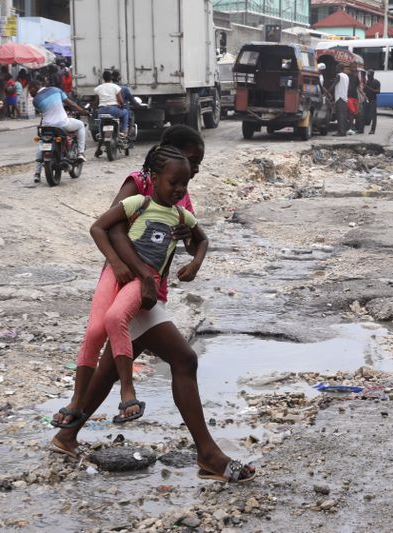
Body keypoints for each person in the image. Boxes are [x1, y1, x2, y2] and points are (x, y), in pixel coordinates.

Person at [51, 125, 257, 483]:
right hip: (131, 286)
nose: (193, 172)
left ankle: (67, 434)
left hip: (151, 290)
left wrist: (191, 250)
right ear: (168, 158)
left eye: (196, 166)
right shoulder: (139, 184)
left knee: (113, 367)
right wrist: (142, 276)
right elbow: (112, 229)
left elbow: (193, 239)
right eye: (191, 162)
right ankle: (209, 454)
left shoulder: (179, 194)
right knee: (184, 359)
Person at [74, 145, 208, 424]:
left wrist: (193, 261)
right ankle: (82, 408)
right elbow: (107, 228)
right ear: (156, 176)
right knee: (101, 332)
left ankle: (114, 401)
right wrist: (119, 264)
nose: (183, 186)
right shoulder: (138, 194)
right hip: (132, 279)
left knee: (120, 348)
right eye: (178, 180)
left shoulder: (181, 211)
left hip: (148, 286)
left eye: (188, 180)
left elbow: (199, 238)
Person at [28, 78, 88, 183]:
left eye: (30, 90)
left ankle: (37, 173)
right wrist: (82, 111)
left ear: (35, 87)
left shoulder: (35, 101)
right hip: (62, 124)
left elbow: (46, 111)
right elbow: (71, 104)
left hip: (46, 127)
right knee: (81, 125)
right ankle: (81, 153)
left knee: (42, 142)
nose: (30, 93)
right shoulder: (56, 90)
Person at [94, 70, 129, 144]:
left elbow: (96, 102)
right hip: (114, 110)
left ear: (103, 78)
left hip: (102, 110)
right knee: (126, 113)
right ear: (111, 77)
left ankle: (101, 133)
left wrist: (97, 108)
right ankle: (122, 132)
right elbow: (121, 101)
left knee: (101, 120)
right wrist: (122, 106)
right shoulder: (116, 87)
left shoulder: (98, 88)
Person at [331, 64, 348, 136]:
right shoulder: (346, 76)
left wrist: (326, 92)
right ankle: (343, 131)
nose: (336, 69)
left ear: (340, 68)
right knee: (343, 115)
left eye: (336, 67)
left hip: (339, 97)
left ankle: (340, 132)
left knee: (339, 115)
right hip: (344, 97)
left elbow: (334, 85)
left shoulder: (339, 75)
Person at [363, 69, 380, 134]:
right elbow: (364, 90)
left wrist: (369, 88)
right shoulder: (367, 82)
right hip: (367, 100)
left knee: (373, 116)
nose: (368, 76)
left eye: (369, 75)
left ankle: (373, 130)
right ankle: (361, 129)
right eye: (367, 75)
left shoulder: (376, 82)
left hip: (373, 100)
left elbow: (378, 91)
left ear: (372, 75)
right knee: (364, 115)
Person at [346, 63, 362, 134]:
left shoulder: (356, 77)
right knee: (352, 113)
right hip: (348, 96)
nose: (354, 69)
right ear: (350, 68)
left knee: (356, 113)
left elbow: (359, 88)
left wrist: (364, 95)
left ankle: (356, 127)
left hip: (355, 97)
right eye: (353, 67)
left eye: (355, 67)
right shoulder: (347, 76)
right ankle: (350, 128)